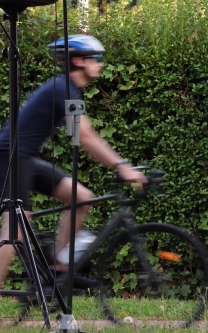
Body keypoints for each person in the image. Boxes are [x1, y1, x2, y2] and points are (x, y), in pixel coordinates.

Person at [0, 34, 147, 287]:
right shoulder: (63, 88)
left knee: (81, 197)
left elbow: (80, 134)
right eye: (96, 58)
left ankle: (58, 270)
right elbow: (86, 137)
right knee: (16, 229)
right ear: (79, 60)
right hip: (9, 157)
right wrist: (122, 166)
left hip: (26, 157)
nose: (101, 63)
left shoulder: (69, 90)